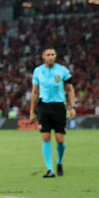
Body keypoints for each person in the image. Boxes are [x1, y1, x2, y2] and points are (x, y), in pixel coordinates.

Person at [29, 47, 76, 178]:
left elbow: (70, 89)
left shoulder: (62, 71)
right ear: (43, 57)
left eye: (53, 54)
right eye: (48, 54)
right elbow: (34, 92)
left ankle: (59, 162)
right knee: (45, 137)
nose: (50, 57)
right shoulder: (38, 71)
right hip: (44, 106)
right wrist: (32, 111)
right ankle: (50, 169)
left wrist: (72, 107)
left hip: (59, 107)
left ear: (55, 56)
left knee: (60, 140)